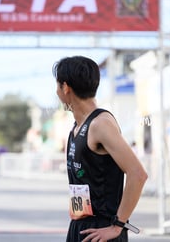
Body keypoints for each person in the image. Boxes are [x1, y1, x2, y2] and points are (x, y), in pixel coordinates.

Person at [53, 56, 148, 242]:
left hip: (101, 232)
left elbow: (138, 174)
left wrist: (117, 226)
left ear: (65, 87)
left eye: (57, 86)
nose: (56, 92)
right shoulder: (76, 127)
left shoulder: (100, 124)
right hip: (80, 225)